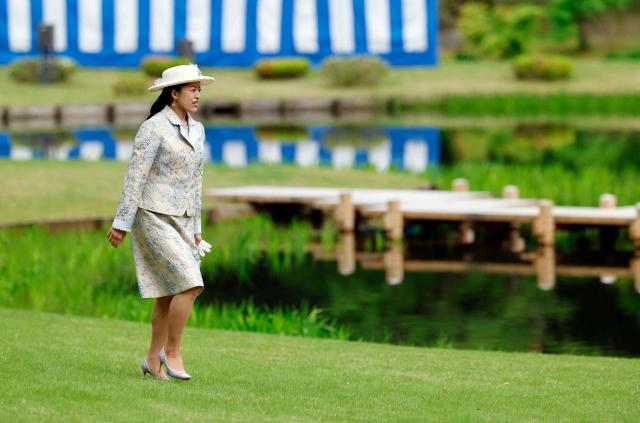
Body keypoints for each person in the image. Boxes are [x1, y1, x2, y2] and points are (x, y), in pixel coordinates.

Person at [107, 64, 214, 381]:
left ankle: (152, 361)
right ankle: (173, 351)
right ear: (174, 93)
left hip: (183, 221)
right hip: (151, 216)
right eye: (191, 89)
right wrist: (121, 223)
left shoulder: (198, 129)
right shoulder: (153, 128)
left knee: (169, 293)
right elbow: (134, 178)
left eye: (199, 89)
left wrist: (196, 228)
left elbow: (197, 181)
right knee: (191, 282)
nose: (197, 95)